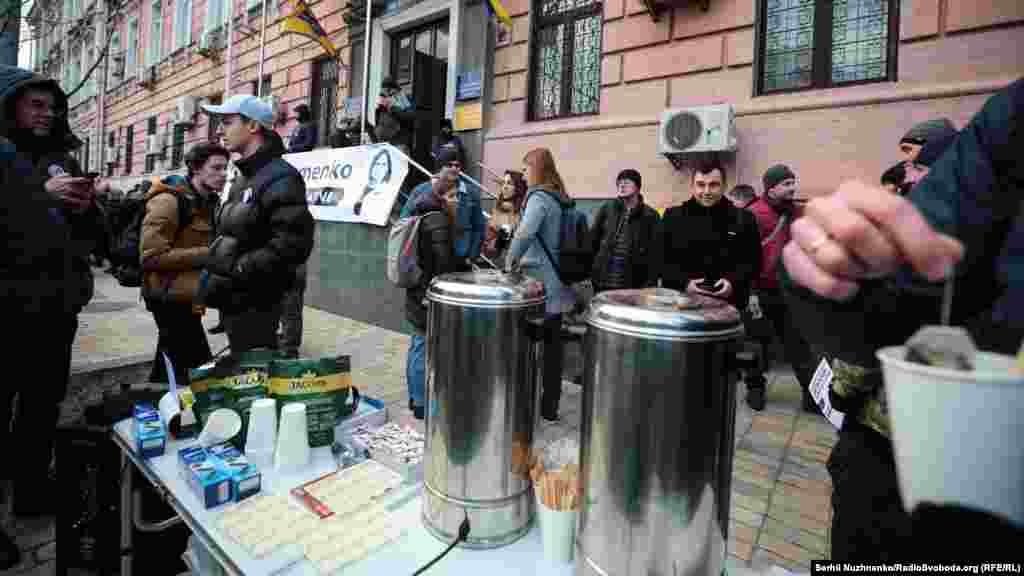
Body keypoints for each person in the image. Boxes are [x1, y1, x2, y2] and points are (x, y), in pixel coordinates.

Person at [781, 78, 1024, 559]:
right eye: (909, 164)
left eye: (917, 162)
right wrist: (833, 275)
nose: (910, 173)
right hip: (900, 471)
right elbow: (899, 300)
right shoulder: (1011, 122)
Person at [0, 65, 105, 541]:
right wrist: (39, 196)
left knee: (42, 407)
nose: (47, 114)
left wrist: (86, 211)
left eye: (53, 107)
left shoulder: (63, 159)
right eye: (36, 105)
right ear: (10, 106)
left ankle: (32, 491)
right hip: (6, 311)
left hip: (55, 310)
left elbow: (92, 238)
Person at [197, 95, 314, 354]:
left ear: (252, 126)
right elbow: (231, 234)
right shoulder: (243, 177)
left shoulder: (281, 177)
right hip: (234, 302)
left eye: (227, 122)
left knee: (253, 371)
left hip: (257, 305)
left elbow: (293, 245)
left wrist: (239, 269)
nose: (219, 131)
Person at [140, 143, 228, 384]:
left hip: (189, 294)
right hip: (166, 295)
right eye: (216, 168)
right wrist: (208, 254)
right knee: (197, 364)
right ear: (196, 168)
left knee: (170, 359)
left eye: (225, 168)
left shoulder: (208, 201)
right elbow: (150, 256)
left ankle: (154, 397)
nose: (223, 174)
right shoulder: (168, 201)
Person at [505, 148, 574, 421]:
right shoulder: (559, 197)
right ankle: (550, 406)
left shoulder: (539, 197)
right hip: (558, 282)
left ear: (538, 168)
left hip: (539, 286)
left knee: (530, 348)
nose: (523, 175)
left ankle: (526, 404)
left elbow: (525, 233)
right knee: (554, 349)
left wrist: (509, 261)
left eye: (525, 169)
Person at [745, 164, 817, 412]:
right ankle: (755, 390)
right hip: (760, 290)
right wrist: (751, 292)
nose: (792, 188)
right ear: (771, 188)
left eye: (792, 182)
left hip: (789, 290)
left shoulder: (797, 212)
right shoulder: (755, 214)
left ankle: (812, 396)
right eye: (786, 184)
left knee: (798, 344)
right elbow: (745, 256)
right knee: (756, 342)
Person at [660, 159, 761, 311]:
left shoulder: (744, 219)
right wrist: (684, 283)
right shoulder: (673, 217)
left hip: (729, 307)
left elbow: (753, 261)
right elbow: (660, 260)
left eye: (713, 185)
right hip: (683, 306)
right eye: (701, 185)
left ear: (724, 186)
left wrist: (733, 282)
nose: (706, 191)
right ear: (692, 186)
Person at [404, 168, 457, 420]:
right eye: (454, 195)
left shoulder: (421, 210)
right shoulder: (438, 219)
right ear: (443, 194)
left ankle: (416, 399)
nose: (457, 200)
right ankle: (423, 403)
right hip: (428, 293)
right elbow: (443, 263)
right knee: (423, 346)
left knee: (417, 344)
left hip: (416, 288)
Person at [400, 148, 485, 270]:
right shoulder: (421, 191)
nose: (454, 168)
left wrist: (472, 256)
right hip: (427, 257)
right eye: (449, 165)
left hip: (460, 257)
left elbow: (479, 227)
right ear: (439, 168)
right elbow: (404, 220)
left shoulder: (470, 192)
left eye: (457, 165)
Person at [590, 169, 661, 293]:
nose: (622, 185)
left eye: (627, 182)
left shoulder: (650, 215)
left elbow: (655, 253)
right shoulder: (607, 209)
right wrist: (591, 271)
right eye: (619, 183)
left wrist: (650, 284)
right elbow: (593, 241)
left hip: (633, 284)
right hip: (602, 281)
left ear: (638, 187)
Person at [483, 169, 527, 263]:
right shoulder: (500, 206)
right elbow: (493, 236)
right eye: (503, 183)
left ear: (518, 187)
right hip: (501, 259)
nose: (505, 187)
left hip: (518, 261)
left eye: (509, 183)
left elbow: (508, 236)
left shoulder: (524, 208)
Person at [372, 77, 415, 152]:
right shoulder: (384, 104)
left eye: (389, 92)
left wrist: (392, 107)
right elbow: (378, 122)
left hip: (400, 142)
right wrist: (380, 108)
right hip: (384, 143)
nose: (387, 95)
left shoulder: (403, 99)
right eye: (384, 93)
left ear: (395, 90)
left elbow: (409, 117)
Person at [353, 147, 394, 216]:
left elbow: (389, 170)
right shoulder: (372, 181)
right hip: (373, 184)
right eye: (378, 164)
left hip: (378, 186)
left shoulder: (385, 180)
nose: (380, 166)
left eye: (383, 164)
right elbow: (374, 162)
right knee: (364, 194)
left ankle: (360, 207)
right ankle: (358, 207)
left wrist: (386, 154)